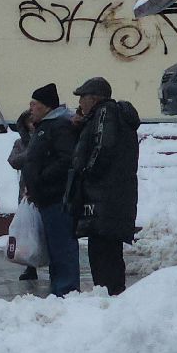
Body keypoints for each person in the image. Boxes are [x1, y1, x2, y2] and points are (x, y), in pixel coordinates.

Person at [65, 76, 140, 294]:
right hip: (115, 197)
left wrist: (87, 173)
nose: (80, 103)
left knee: (103, 254)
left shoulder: (105, 113)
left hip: (104, 197)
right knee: (110, 253)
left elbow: (102, 148)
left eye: (83, 97)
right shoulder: (109, 116)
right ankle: (112, 294)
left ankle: (109, 297)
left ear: (95, 98)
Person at [21, 83, 82, 296]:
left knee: (62, 245)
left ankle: (66, 289)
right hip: (46, 197)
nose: (31, 108)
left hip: (57, 197)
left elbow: (66, 159)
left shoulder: (58, 126)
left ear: (46, 106)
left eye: (34, 104)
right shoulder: (46, 126)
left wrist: (41, 178)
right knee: (55, 247)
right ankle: (60, 288)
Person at [7, 108, 39, 282]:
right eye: (29, 122)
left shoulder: (47, 137)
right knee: (29, 231)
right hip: (26, 192)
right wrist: (31, 152)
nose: (32, 124)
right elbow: (13, 161)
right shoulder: (21, 143)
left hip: (46, 190)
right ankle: (30, 266)